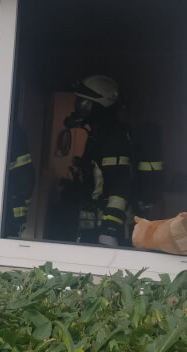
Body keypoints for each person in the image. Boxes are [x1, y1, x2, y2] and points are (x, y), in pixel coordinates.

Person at [63, 75, 134, 247]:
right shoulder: (98, 134)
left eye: (83, 103)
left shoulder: (113, 136)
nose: (78, 108)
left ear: (99, 106)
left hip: (107, 233)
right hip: (92, 231)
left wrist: (110, 230)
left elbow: (120, 184)